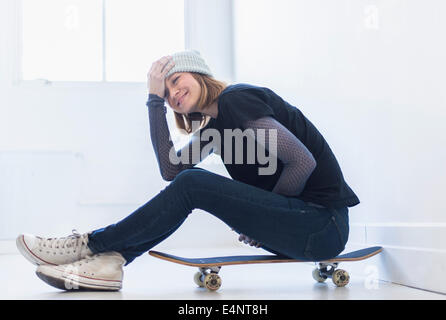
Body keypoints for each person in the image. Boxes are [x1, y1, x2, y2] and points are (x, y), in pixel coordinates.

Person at [16, 50, 359, 291]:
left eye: (176, 80)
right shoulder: (215, 129)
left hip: (322, 224)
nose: (173, 93)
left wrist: (267, 212)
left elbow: (301, 161)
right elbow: (170, 169)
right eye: (165, 94)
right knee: (188, 180)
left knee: (194, 182)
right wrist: (152, 102)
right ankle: (110, 261)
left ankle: (92, 245)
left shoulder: (235, 100)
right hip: (305, 231)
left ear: (199, 74)